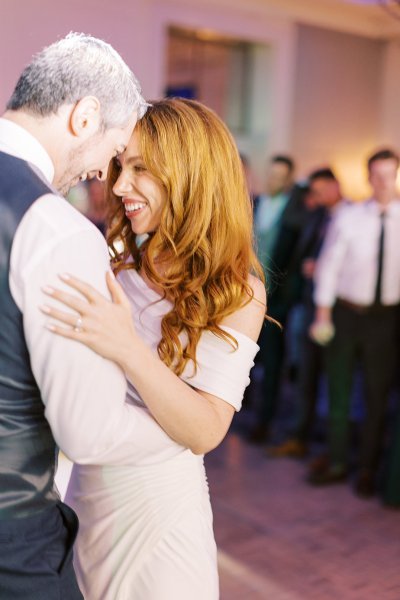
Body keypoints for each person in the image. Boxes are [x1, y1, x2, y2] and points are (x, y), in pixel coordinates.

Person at [41, 98, 266, 599]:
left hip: (159, 519)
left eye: (140, 169)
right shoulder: (115, 262)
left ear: (190, 174)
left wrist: (127, 347)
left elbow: (206, 430)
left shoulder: (236, 291)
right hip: (88, 497)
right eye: (121, 166)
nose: (119, 186)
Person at [0, 32, 151, 599]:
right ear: (84, 117)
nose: (104, 173)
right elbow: (85, 432)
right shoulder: (56, 228)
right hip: (12, 543)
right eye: (113, 151)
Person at [309, 149, 400, 497]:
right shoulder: (349, 217)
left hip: (386, 320)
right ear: (368, 177)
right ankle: (336, 462)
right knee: (340, 390)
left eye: (389, 175)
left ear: (396, 176)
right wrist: (323, 312)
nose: (382, 182)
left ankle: (367, 468)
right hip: (346, 314)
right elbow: (329, 265)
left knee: (377, 397)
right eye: (376, 175)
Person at [269, 168, 348, 458]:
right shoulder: (316, 216)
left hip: (338, 312)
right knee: (305, 374)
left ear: (335, 187)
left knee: (334, 380)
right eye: (310, 192)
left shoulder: (351, 216)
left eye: (318, 191)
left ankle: (332, 444)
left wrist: (323, 269)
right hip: (307, 301)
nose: (313, 198)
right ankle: (299, 435)